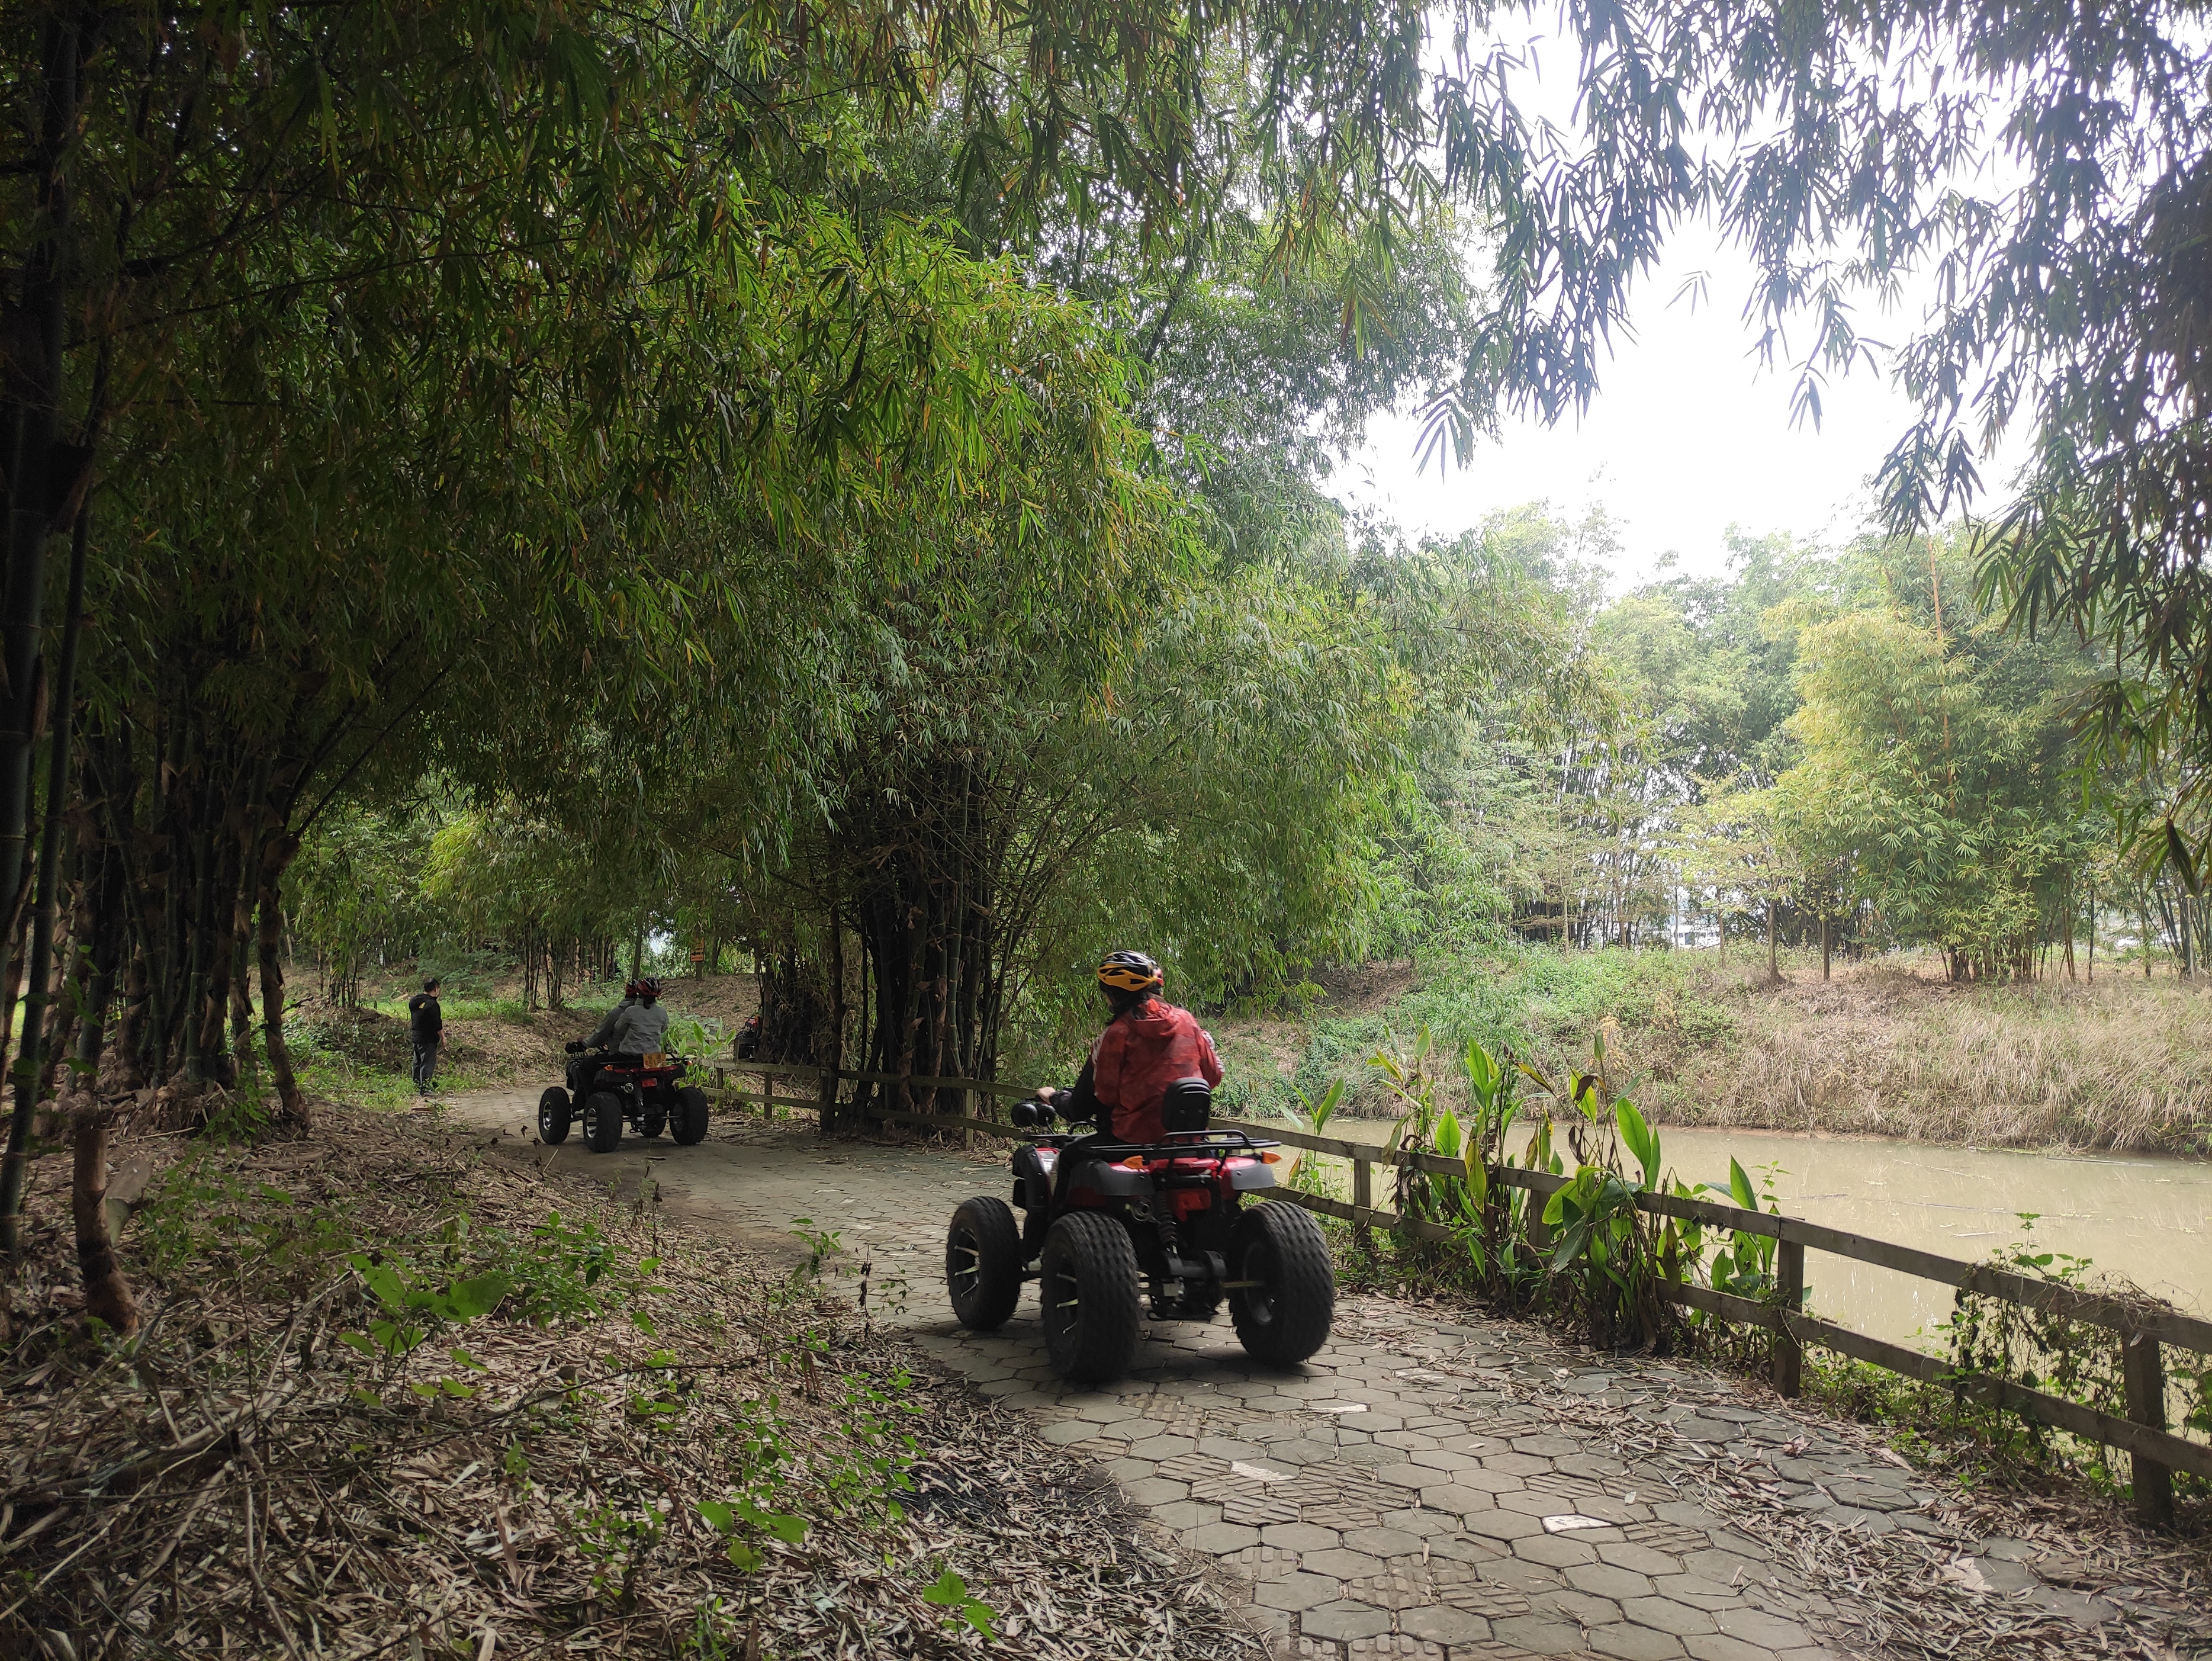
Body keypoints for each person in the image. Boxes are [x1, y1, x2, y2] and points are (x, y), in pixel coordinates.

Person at [1050, 951, 1222, 1143]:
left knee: (1067, 1160)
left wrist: (1055, 1098)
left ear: (1112, 995)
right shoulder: (1188, 1021)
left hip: (1132, 1143)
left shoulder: (1117, 1035)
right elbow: (1213, 1076)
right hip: (1192, 1143)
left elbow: (1104, 1096)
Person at [407, 977, 443, 1095]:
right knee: (427, 1063)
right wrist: (444, 1038)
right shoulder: (433, 1005)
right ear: (435, 989)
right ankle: (426, 1088)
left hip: (417, 1036)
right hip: (428, 1039)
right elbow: (437, 1025)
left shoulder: (415, 1001)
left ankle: (416, 1085)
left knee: (417, 1062)